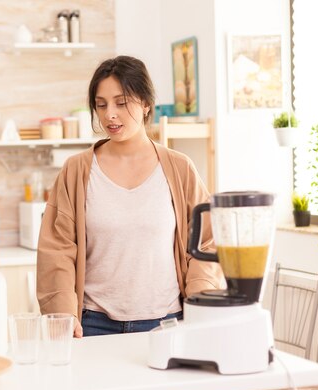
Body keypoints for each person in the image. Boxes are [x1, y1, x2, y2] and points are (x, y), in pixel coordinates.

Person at [36, 55, 223, 338]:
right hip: (92, 326)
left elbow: (206, 242)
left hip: (168, 324)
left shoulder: (180, 168)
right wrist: (63, 314)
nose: (110, 114)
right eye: (101, 105)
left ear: (146, 104)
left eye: (121, 103)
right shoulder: (76, 171)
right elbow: (57, 251)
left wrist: (200, 302)